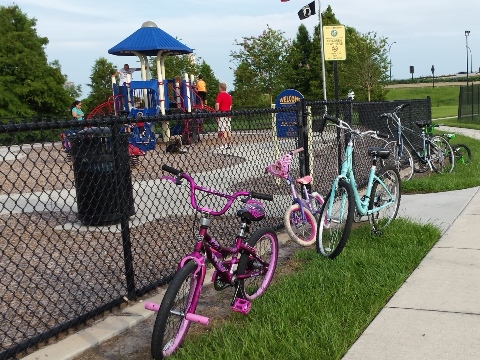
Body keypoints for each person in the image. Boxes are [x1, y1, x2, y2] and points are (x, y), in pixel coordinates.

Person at [215, 82, 233, 149]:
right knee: (228, 129)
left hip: (222, 114)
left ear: (220, 88)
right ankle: (230, 144)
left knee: (223, 129)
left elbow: (217, 104)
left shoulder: (220, 95)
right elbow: (230, 106)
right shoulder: (229, 95)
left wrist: (217, 111)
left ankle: (224, 144)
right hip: (228, 114)